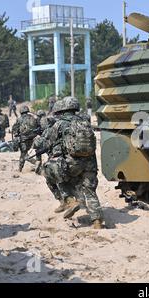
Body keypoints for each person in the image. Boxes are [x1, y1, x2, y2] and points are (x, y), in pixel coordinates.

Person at [36, 97, 103, 229]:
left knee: (50, 172)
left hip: (72, 164)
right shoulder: (84, 122)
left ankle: (69, 201)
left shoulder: (59, 124)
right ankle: (97, 222)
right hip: (90, 164)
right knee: (90, 190)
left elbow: (44, 142)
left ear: (61, 109)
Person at [12, 105, 39, 172]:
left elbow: (15, 129)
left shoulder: (19, 119)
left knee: (23, 154)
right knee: (28, 153)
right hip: (33, 139)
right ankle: (37, 163)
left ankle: (20, 169)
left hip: (23, 140)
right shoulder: (33, 118)